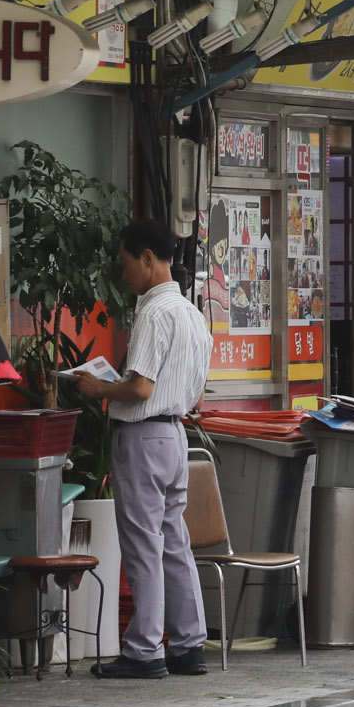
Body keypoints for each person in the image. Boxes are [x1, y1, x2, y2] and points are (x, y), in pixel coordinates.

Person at [76, 221, 215, 679]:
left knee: (143, 544)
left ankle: (144, 649)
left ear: (148, 258)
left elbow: (139, 387)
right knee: (173, 541)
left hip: (144, 436)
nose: (125, 274)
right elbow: (196, 392)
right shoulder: (193, 314)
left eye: (126, 263)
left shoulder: (154, 312)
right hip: (177, 434)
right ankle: (189, 643)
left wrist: (98, 386)